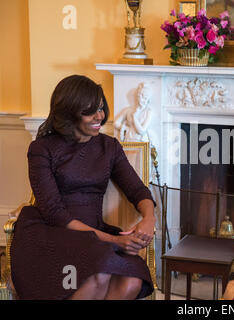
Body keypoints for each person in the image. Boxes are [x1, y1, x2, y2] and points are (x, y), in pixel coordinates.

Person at [10, 75, 156, 300]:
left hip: (95, 232)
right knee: (98, 274)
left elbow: (137, 190)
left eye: (100, 108)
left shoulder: (109, 147)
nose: (100, 116)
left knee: (132, 281)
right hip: (54, 233)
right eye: (90, 111)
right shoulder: (41, 149)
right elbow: (55, 214)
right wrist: (116, 241)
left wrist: (149, 219)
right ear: (69, 113)